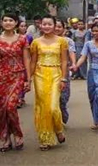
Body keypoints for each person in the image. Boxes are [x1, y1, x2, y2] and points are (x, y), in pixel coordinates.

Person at [0, 13, 31, 152]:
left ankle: (17, 134)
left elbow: (26, 59)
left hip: (17, 75)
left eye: (11, 20)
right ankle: (5, 137)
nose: (8, 22)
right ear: (1, 23)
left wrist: (28, 79)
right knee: (1, 109)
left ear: (16, 23)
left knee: (10, 107)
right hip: (2, 77)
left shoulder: (22, 39)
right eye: (5, 20)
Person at [29, 15, 68, 151]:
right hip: (39, 75)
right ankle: (45, 139)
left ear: (54, 25)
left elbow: (64, 61)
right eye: (44, 24)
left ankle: (58, 129)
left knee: (53, 107)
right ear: (40, 25)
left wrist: (63, 78)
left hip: (56, 75)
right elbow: (33, 61)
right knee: (42, 107)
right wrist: (28, 78)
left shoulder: (62, 41)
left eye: (49, 24)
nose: (46, 26)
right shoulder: (36, 42)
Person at [55, 19, 76, 124]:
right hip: (49, 70)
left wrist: (74, 63)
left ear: (64, 29)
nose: (57, 29)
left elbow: (72, 52)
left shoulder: (68, 41)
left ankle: (63, 110)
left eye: (59, 27)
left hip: (64, 70)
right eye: (55, 26)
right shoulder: (47, 40)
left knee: (63, 96)